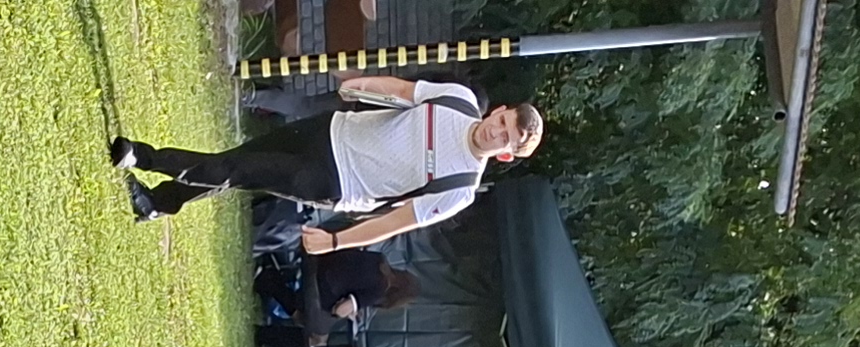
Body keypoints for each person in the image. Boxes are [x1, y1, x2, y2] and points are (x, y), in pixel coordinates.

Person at [119, 79, 543, 241]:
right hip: (331, 130)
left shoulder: (460, 189)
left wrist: (338, 240)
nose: (497, 131)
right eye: (503, 121)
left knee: (236, 172)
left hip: (335, 182)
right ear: (498, 110)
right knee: (237, 161)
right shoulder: (460, 99)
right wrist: (361, 84)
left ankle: (141, 156)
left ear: (505, 154)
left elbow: (393, 224)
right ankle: (160, 203)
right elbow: (404, 92)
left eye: (505, 139)